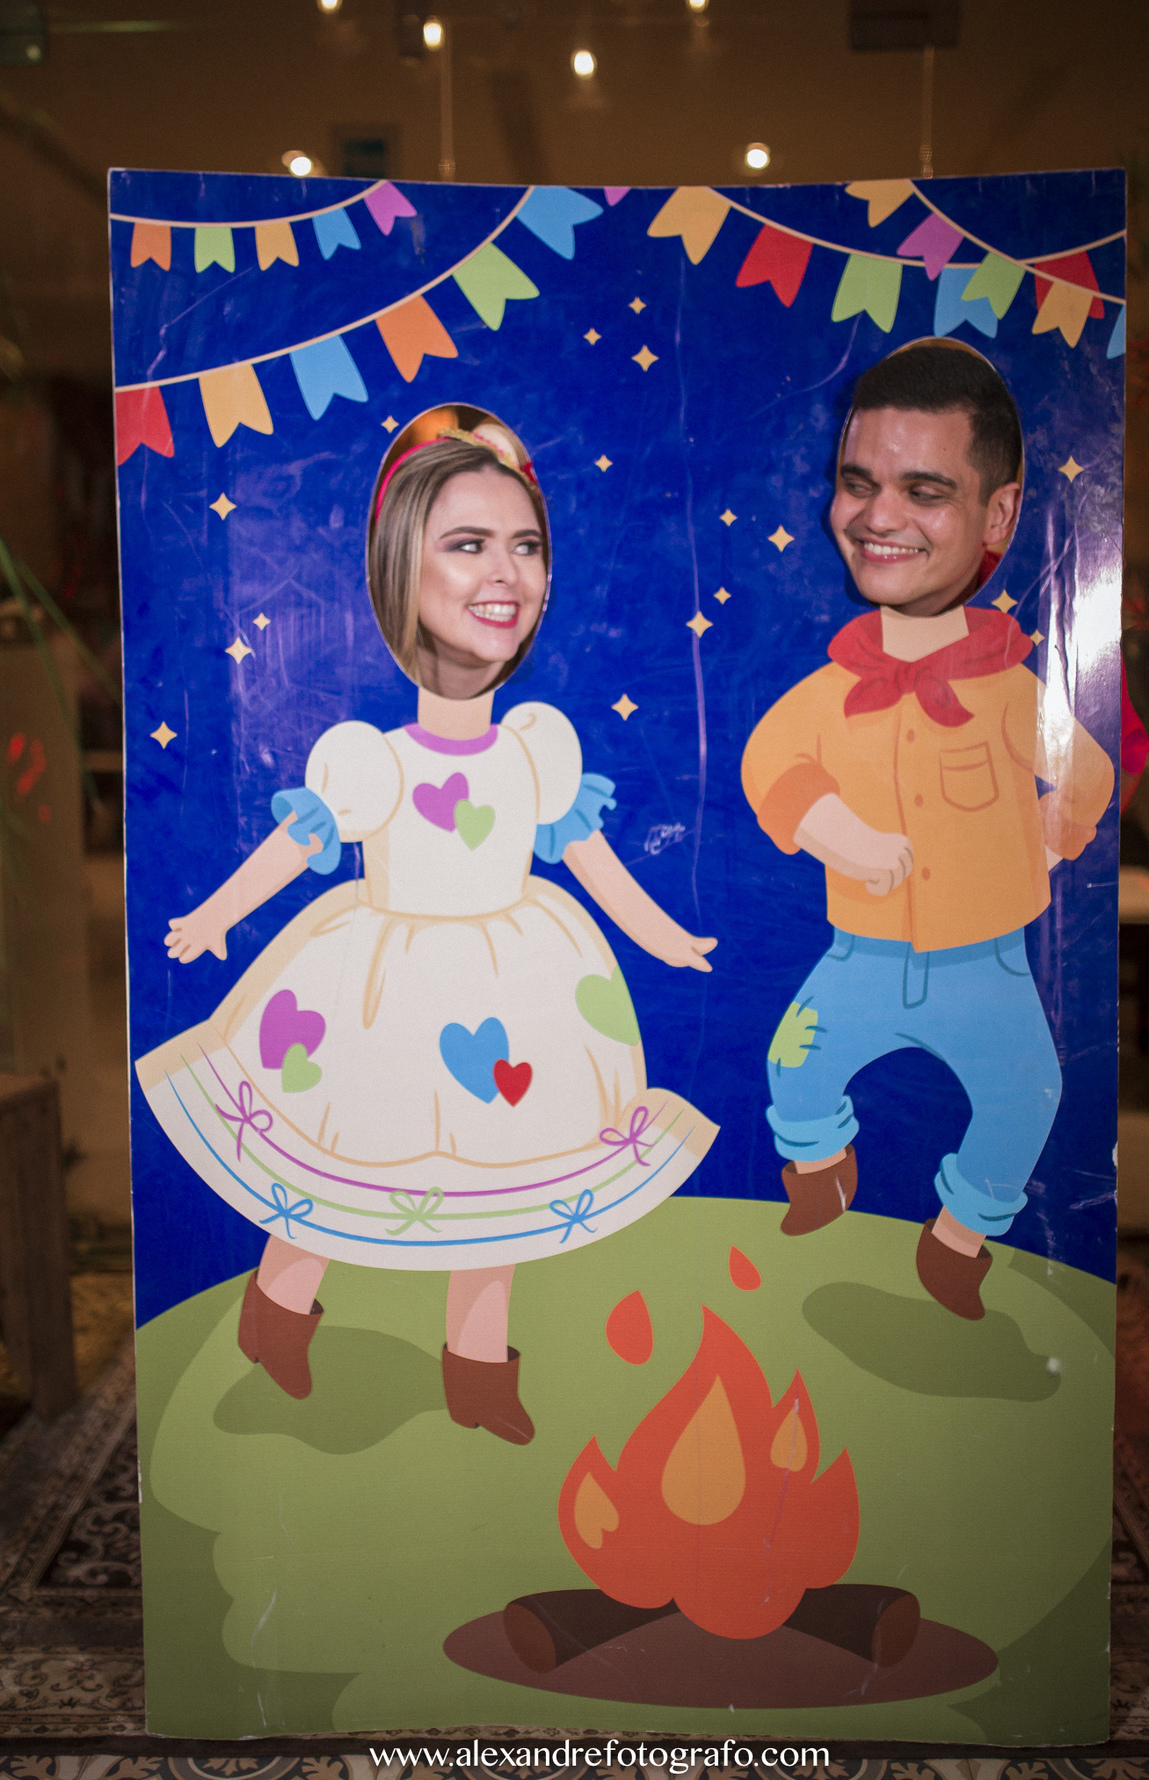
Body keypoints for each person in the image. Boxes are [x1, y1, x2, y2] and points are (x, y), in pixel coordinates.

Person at [136, 407, 717, 1441]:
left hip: (517, 979)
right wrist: (217, 915)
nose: (505, 573)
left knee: (504, 1170)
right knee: (339, 1152)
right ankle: (278, 1310)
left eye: (525, 546)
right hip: (382, 986)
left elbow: (591, 857)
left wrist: (658, 932)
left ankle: (479, 1371)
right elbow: (299, 842)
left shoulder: (536, 747)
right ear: (402, 573)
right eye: (467, 544)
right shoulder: (373, 761)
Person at [741, 342, 1113, 1320]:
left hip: (986, 965)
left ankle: (958, 1238)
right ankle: (821, 1169)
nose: (880, 516)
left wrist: (1045, 837)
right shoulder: (831, 688)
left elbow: (1087, 773)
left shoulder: (1011, 689)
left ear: (998, 515)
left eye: (925, 490)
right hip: (858, 954)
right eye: (858, 482)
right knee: (792, 1065)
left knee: (1028, 1098)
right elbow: (770, 763)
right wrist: (838, 832)